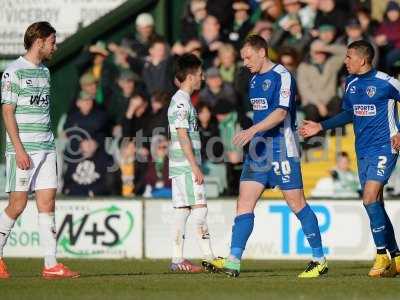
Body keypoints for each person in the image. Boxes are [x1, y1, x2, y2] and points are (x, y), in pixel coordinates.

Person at [209, 35, 328, 278]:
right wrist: (253, 135)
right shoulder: (253, 80)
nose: (245, 62)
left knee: (297, 204)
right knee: (244, 202)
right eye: (242, 58)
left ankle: (319, 259)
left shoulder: (283, 76)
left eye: (248, 57)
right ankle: (233, 260)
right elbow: (261, 114)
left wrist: (252, 130)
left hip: (282, 149)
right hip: (258, 152)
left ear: (262, 52)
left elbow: (281, 112)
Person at [300, 40, 400, 277]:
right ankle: (396, 255)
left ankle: (380, 256)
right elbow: (349, 113)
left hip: (384, 148)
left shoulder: (387, 82)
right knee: (377, 203)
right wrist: (320, 126)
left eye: (349, 57)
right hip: (362, 150)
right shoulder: (350, 83)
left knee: (368, 199)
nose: (345, 61)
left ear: (362, 59)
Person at [0, 22, 79, 279]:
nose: (55, 46)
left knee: (47, 203)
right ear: (39, 41)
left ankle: (51, 264)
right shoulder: (13, 72)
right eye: (52, 41)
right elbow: (7, 113)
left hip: (46, 147)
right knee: (18, 204)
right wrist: (19, 150)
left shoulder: (45, 71)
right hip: (23, 151)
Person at [167, 53, 215, 273]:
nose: (202, 78)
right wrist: (194, 165)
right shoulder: (180, 102)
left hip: (180, 165)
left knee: (182, 210)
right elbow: (182, 134)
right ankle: (210, 257)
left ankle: (177, 259)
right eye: (199, 74)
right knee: (200, 209)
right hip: (186, 166)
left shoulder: (184, 101)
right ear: (190, 76)